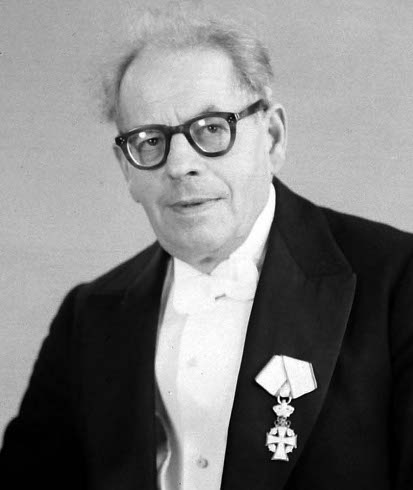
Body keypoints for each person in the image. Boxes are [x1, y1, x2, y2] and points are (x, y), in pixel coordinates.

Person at [1, 9, 413, 490]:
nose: (180, 165)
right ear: (126, 168)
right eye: (149, 141)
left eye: (212, 129)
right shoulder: (88, 317)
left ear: (273, 137)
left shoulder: (398, 280)